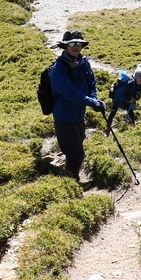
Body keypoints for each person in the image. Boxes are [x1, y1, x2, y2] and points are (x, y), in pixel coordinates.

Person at [49, 30, 104, 178]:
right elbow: (70, 94)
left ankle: (69, 176)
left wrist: (94, 99)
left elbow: (92, 83)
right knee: (76, 155)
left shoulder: (84, 63)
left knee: (74, 152)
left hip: (79, 116)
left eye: (78, 44)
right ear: (65, 46)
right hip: (64, 118)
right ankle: (73, 184)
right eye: (72, 43)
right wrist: (92, 102)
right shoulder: (58, 69)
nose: (75, 46)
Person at [107, 64, 141, 132]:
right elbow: (122, 93)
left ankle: (133, 126)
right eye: (140, 76)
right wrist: (128, 100)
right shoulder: (130, 83)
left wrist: (135, 98)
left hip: (127, 100)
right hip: (118, 98)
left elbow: (138, 94)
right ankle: (108, 127)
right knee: (113, 112)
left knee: (130, 112)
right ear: (136, 76)